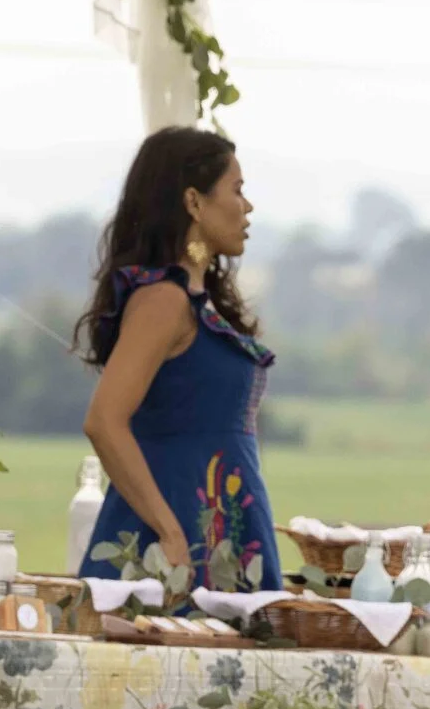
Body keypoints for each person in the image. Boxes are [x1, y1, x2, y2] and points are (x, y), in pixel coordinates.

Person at [75, 127, 282, 590]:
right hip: (175, 542)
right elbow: (105, 421)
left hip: (221, 528)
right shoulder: (162, 302)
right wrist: (170, 532)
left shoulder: (195, 299)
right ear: (194, 202)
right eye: (237, 190)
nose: (247, 207)